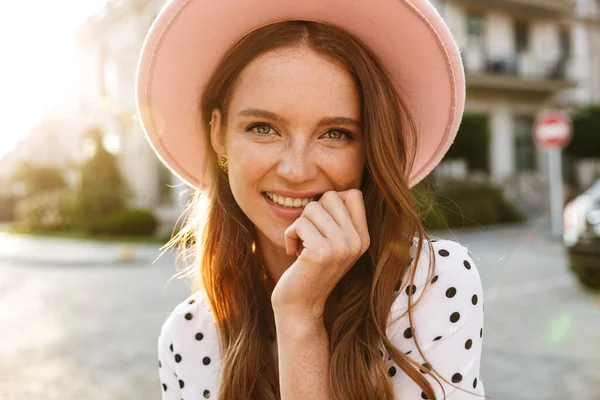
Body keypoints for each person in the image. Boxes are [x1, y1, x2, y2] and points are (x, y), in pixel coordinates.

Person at [136, 1, 486, 399]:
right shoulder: (187, 336)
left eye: (335, 133)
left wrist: (300, 317)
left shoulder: (430, 284)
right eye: (263, 128)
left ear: (369, 148)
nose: (297, 170)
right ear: (218, 135)